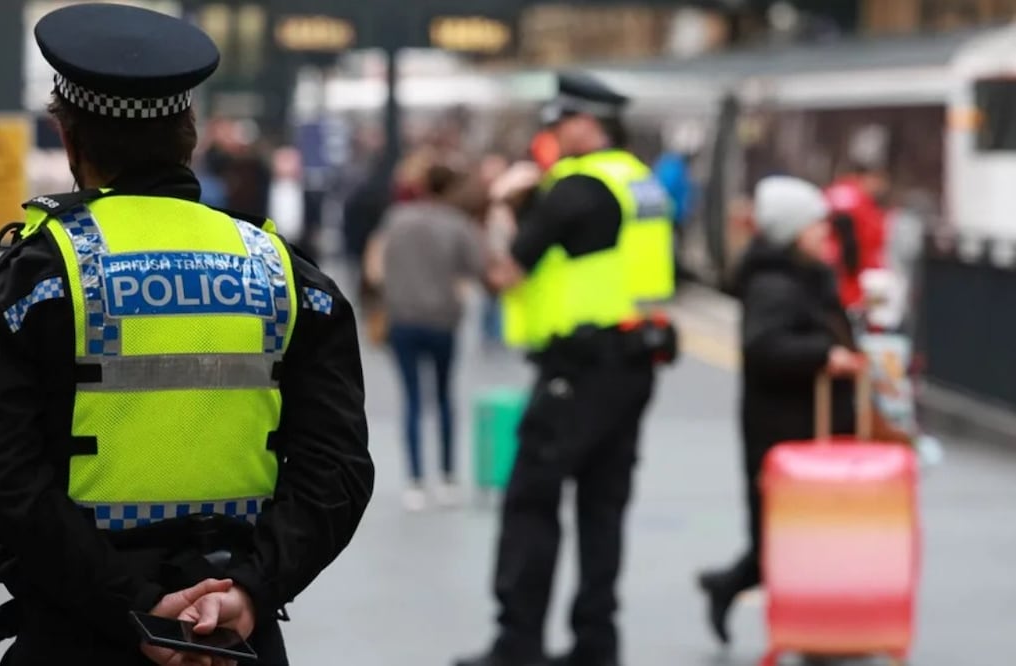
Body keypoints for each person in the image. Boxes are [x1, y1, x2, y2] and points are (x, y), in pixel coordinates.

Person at [0, 5, 374, 665]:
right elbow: (338, 472)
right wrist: (248, 591)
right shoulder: (285, 276)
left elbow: (10, 482)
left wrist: (134, 606)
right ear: (190, 134)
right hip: (234, 640)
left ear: (71, 141)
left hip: (76, 633)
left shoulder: (36, 282)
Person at [456, 72, 677, 666]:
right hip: (636, 359)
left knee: (531, 498)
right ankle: (595, 644)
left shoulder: (575, 187)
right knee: (603, 506)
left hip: (577, 368)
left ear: (587, 122)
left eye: (559, 123)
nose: (552, 135)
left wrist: (504, 203)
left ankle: (517, 643)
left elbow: (505, 272)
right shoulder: (640, 182)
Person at [696, 176, 861, 646]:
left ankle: (809, 630)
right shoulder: (773, 283)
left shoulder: (805, 273)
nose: (824, 235)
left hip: (808, 424)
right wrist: (823, 356)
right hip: (783, 429)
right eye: (815, 226)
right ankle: (805, 632)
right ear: (792, 231)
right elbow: (765, 346)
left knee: (796, 534)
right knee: (788, 536)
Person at [366, 163, 486, 511]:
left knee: (413, 398)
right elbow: (477, 267)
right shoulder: (456, 224)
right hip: (443, 318)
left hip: (403, 316)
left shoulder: (396, 220)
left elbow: (375, 268)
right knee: (444, 395)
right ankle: (447, 476)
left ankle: (415, 480)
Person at [824, 163, 891, 310]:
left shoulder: (861, 201)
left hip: (860, 275)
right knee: (871, 316)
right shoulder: (850, 198)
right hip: (853, 276)